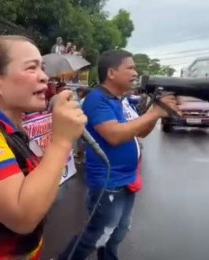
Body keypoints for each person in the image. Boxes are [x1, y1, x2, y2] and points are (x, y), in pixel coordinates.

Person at [0, 35, 87, 259]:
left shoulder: (14, 127)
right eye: (31, 68)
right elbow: (22, 218)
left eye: (42, 68)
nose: (44, 77)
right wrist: (62, 141)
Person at [60, 50, 179, 260]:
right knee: (97, 234)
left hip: (126, 179)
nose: (136, 72)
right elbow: (114, 136)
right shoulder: (97, 99)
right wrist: (154, 113)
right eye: (130, 67)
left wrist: (156, 114)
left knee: (118, 233)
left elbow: (140, 132)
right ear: (112, 73)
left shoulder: (119, 100)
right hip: (109, 183)